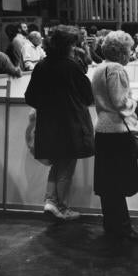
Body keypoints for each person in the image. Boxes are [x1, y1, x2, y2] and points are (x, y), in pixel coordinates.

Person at [24, 25, 95, 221]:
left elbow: (30, 97)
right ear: (66, 45)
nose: (74, 48)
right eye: (72, 44)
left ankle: (50, 202)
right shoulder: (72, 67)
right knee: (67, 166)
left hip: (48, 124)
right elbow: (88, 96)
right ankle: (63, 208)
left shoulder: (41, 66)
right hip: (71, 124)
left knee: (57, 163)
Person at [91, 30, 138, 241]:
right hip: (117, 131)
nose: (130, 53)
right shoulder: (116, 69)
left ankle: (111, 224)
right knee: (120, 183)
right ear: (121, 51)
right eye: (128, 49)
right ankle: (123, 228)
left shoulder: (99, 69)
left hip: (102, 130)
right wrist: (136, 105)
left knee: (107, 184)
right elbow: (120, 101)